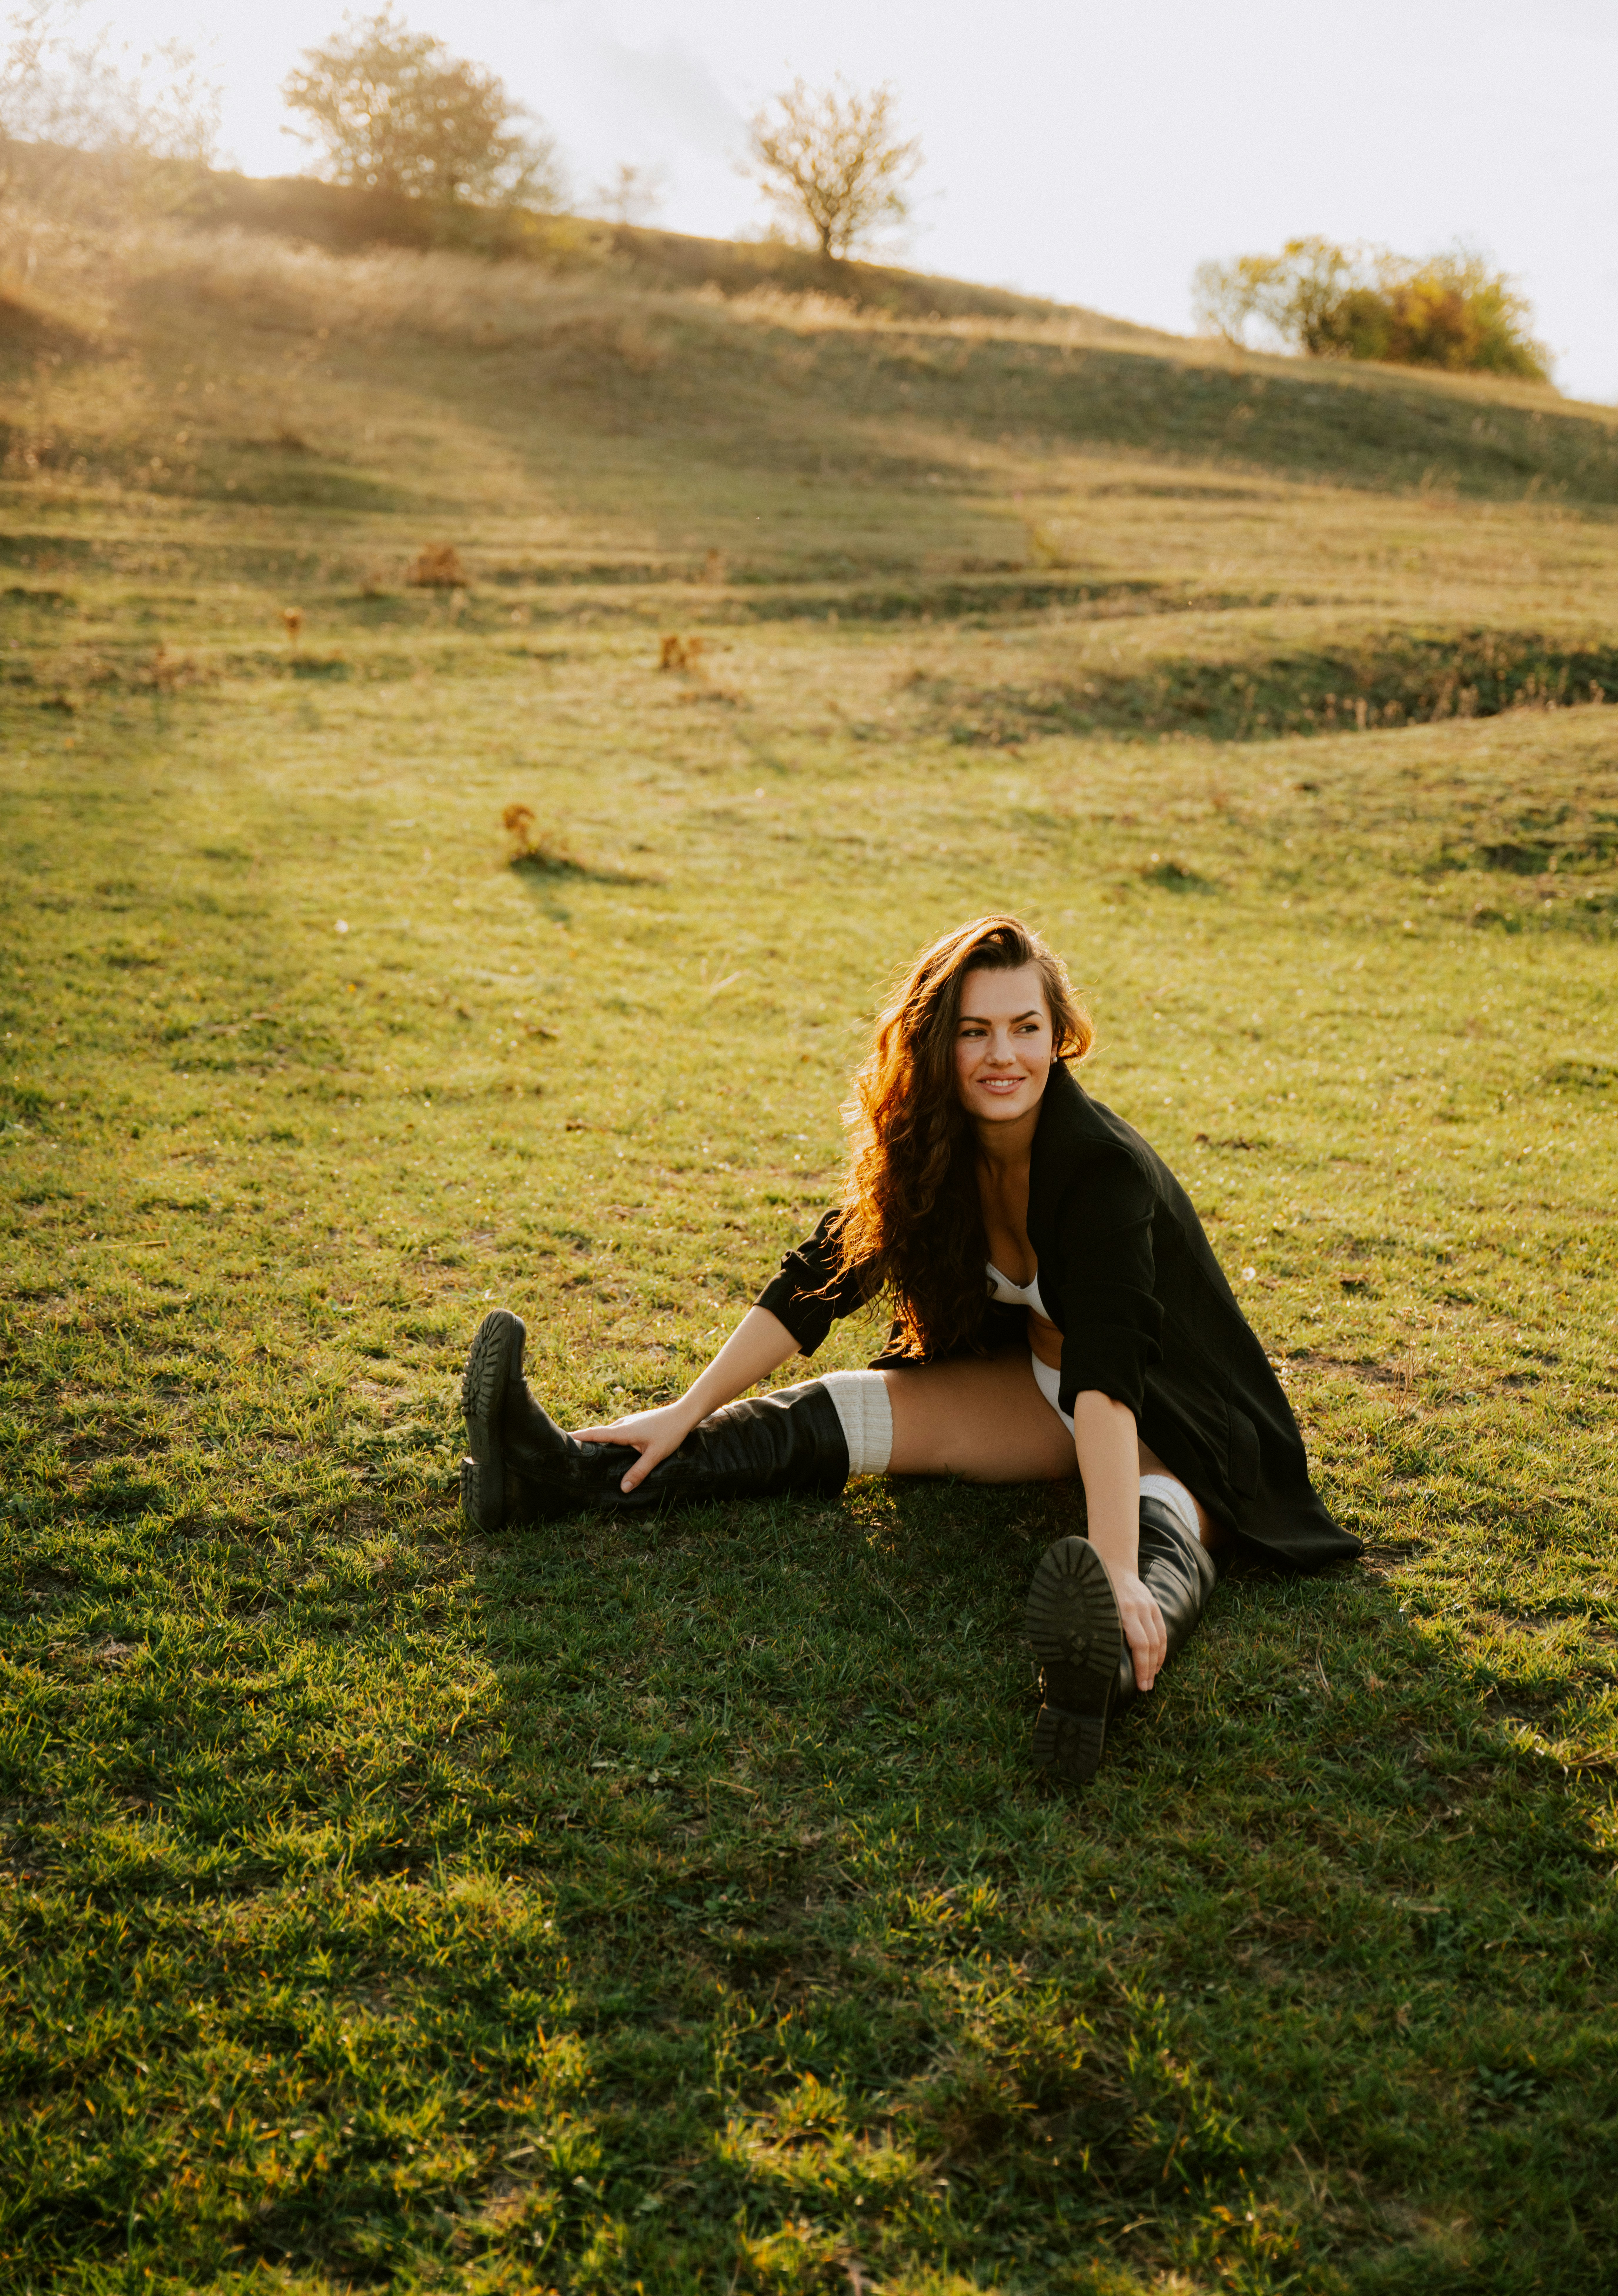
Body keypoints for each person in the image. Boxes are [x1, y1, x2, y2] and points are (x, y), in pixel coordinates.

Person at [460, 915, 1359, 1783]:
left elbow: (1112, 1380)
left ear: (1061, 1037)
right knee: (842, 1409)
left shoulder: (1100, 1170)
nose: (1002, 1056)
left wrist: (1114, 1567)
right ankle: (553, 1474)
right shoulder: (930, 1145)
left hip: (1179, 1422)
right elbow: (820, 1279)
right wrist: (685, 1408)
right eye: (975, 1031)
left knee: (1155, 1541)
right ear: (939, 1044)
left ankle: (1100, 1674)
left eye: (1024, 1028)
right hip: (1042, 1391)